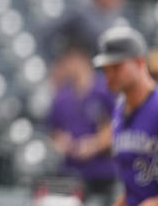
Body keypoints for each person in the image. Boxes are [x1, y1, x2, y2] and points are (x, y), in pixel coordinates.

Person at [92, 26, 158, 206]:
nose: (110, 75)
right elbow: (133, 188)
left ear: (139, 62)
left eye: (116, 66)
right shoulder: (119, 112)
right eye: (105, 69)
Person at [46, 46, 117, 203]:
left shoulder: (104, 90)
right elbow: (53, 130)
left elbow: (118, 125)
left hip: (101, 171)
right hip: (70, 172)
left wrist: (95, 144)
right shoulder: (62, 96)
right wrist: (62, 142)